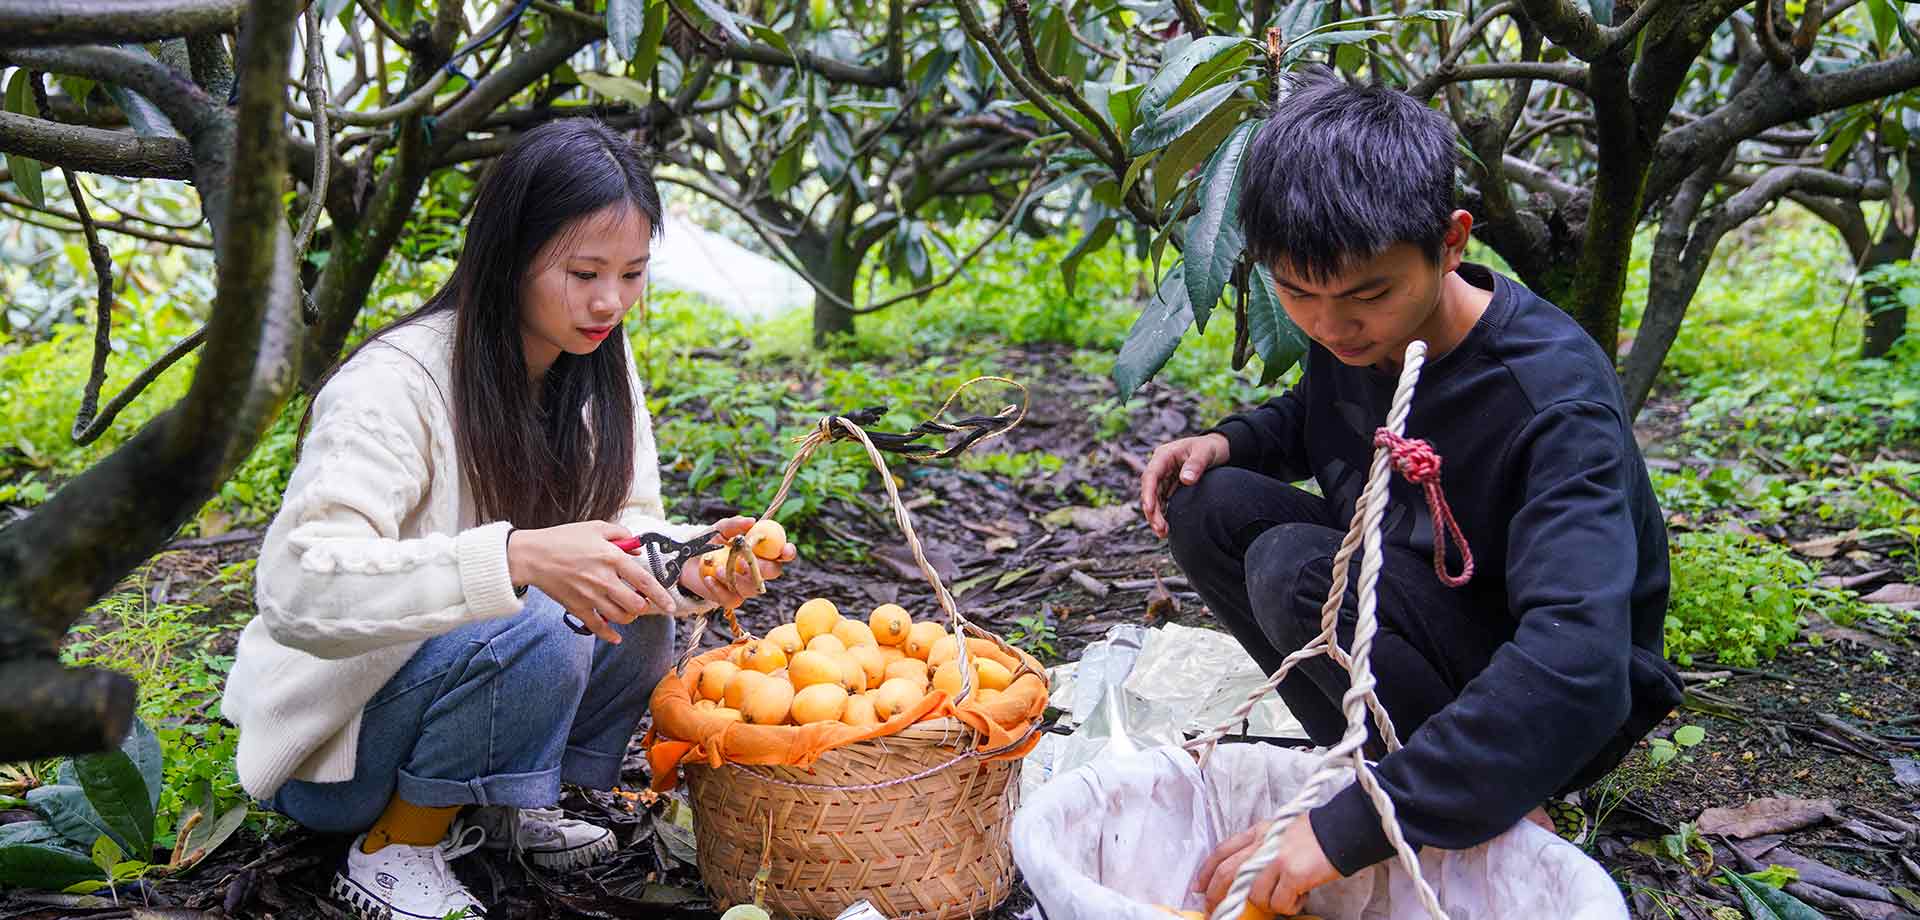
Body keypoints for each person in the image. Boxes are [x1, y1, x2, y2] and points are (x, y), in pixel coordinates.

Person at [1138, 69, 1682, 916]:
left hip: (1556, 690)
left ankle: (1467, 789)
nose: (1328, 326)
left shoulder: (1550, 398)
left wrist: (1351, 828)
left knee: (1293, 567)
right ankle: (1384, 763)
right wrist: (1229, 441)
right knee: (1209, 504)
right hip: (1416, 606)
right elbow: (1322, 409)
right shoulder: (1360, 323)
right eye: (1296, 294)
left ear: (1452, 240)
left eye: (1365, 296)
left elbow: (1581, 662)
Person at [219, 119, 791, 920]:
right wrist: (514, 558)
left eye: (631, 274)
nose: (609, 302)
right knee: (547, 614)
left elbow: (625, 523)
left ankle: (503, 807)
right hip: (339, 754)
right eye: (584, 271)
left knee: (637, 612)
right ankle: (393, 850)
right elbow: (299, 584)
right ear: (509, 257)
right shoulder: (395, 384)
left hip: (443, 688)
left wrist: (690, 562)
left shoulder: (595, 362)